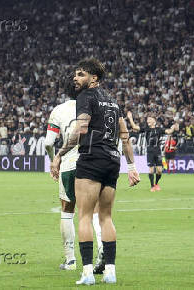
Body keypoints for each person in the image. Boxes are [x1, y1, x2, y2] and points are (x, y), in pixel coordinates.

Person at [51, 58, 140, 285]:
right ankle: (110, 271)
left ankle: (88, 273)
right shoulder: (112, 102)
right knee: (106, 217)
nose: (75, 78)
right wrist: (131, 167)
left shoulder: (85, 97)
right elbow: (125, 136)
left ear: (94, 79)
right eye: (75, 74)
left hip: (91, 158)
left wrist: (60, 154)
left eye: (81, 74)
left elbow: (80, 129)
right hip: (112, 161)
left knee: (83, 217)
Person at [44, 76, 104, 273]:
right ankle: (102, 252)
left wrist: (54, 160)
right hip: (91, 162)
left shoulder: (58, 111)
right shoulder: (95, 105)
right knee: (94, 210)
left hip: (68, 164)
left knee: (67, 210)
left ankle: (70, 260)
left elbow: (47, 143)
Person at [127, 111, 178, 192]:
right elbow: (134, 127)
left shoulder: (159, 129)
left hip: (158, 152)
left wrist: (173, 127)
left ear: (154, 120)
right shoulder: (146, 129)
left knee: (159, 170)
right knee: (151, 170)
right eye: (147, 120)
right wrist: (130, 118)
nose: (148, 121)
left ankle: (156, 183)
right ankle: (152, 186)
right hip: (150, 152)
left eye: (150, 119)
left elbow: (169, 132)